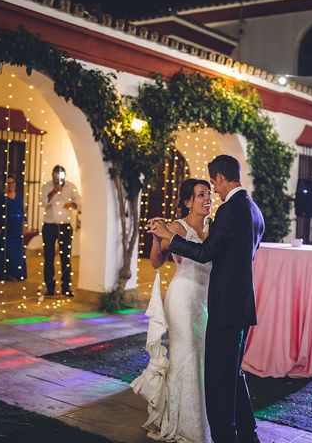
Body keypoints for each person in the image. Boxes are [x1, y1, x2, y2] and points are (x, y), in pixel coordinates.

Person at [149, 155, 264, 443]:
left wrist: (170, 238)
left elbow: (205, 253)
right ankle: (248, 435)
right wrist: (163, 236)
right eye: (203, 193)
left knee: (218, 382)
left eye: (213, 184)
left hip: (223, 308)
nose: (213, 192)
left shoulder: (228, 212)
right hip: (237, 305)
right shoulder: (253, 210)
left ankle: (226, 436)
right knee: (233, 375)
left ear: (221, 178)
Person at [134, 178, 214, 442]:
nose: (207, 199)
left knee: (203, 357)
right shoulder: (176, 227)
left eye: (209, 194)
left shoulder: (214, 229)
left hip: (206, 300)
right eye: (201, 195)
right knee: (186, 355)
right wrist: (158, 238)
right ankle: (181, 422)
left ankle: (204, 419)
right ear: (188, 201)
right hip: (182, 297)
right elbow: (156, 262)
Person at [39, 165, 81, 297]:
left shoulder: (70, 186)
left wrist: (72, 204)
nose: (58, 180)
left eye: (60, 178)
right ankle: (50, 287)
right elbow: (42, 203)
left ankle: (66, 287)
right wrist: (53, 192)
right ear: (52, 175)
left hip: (65, 226)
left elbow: (79, 202)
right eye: (55, 177)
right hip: (50, 225)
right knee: (49, 256)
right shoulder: (46, 186)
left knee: (66, 257)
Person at [0, 174, 27, 282]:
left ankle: (16, 273)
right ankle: (2, 274)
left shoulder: (18, 196)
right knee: (3, 251)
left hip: (16, 227)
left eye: (13, 183)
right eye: (8, 183)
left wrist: (24, 225)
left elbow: (22, 211)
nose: (11, 185)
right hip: (5, 227)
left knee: (17, 251)